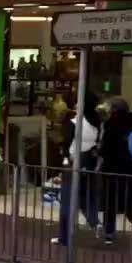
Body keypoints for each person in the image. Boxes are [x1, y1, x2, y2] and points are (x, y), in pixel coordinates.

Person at [52, 91, 101, 245]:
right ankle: (95, 223)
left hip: (74, 163)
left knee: (67, 201)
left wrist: (65, 155)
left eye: (79, 102)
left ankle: (64, 236)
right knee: (87, 198)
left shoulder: (74, 123)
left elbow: (66, 144)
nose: (75, 105)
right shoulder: (97, 123)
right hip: (90, 163)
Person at [98, 96, 132, 245]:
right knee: (129, 202)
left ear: (114, 110)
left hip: (111, 169)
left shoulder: (110, 124)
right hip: (130, 168)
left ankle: (109, 233)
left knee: (110, 203)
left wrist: (98, 152)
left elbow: (105, 149)